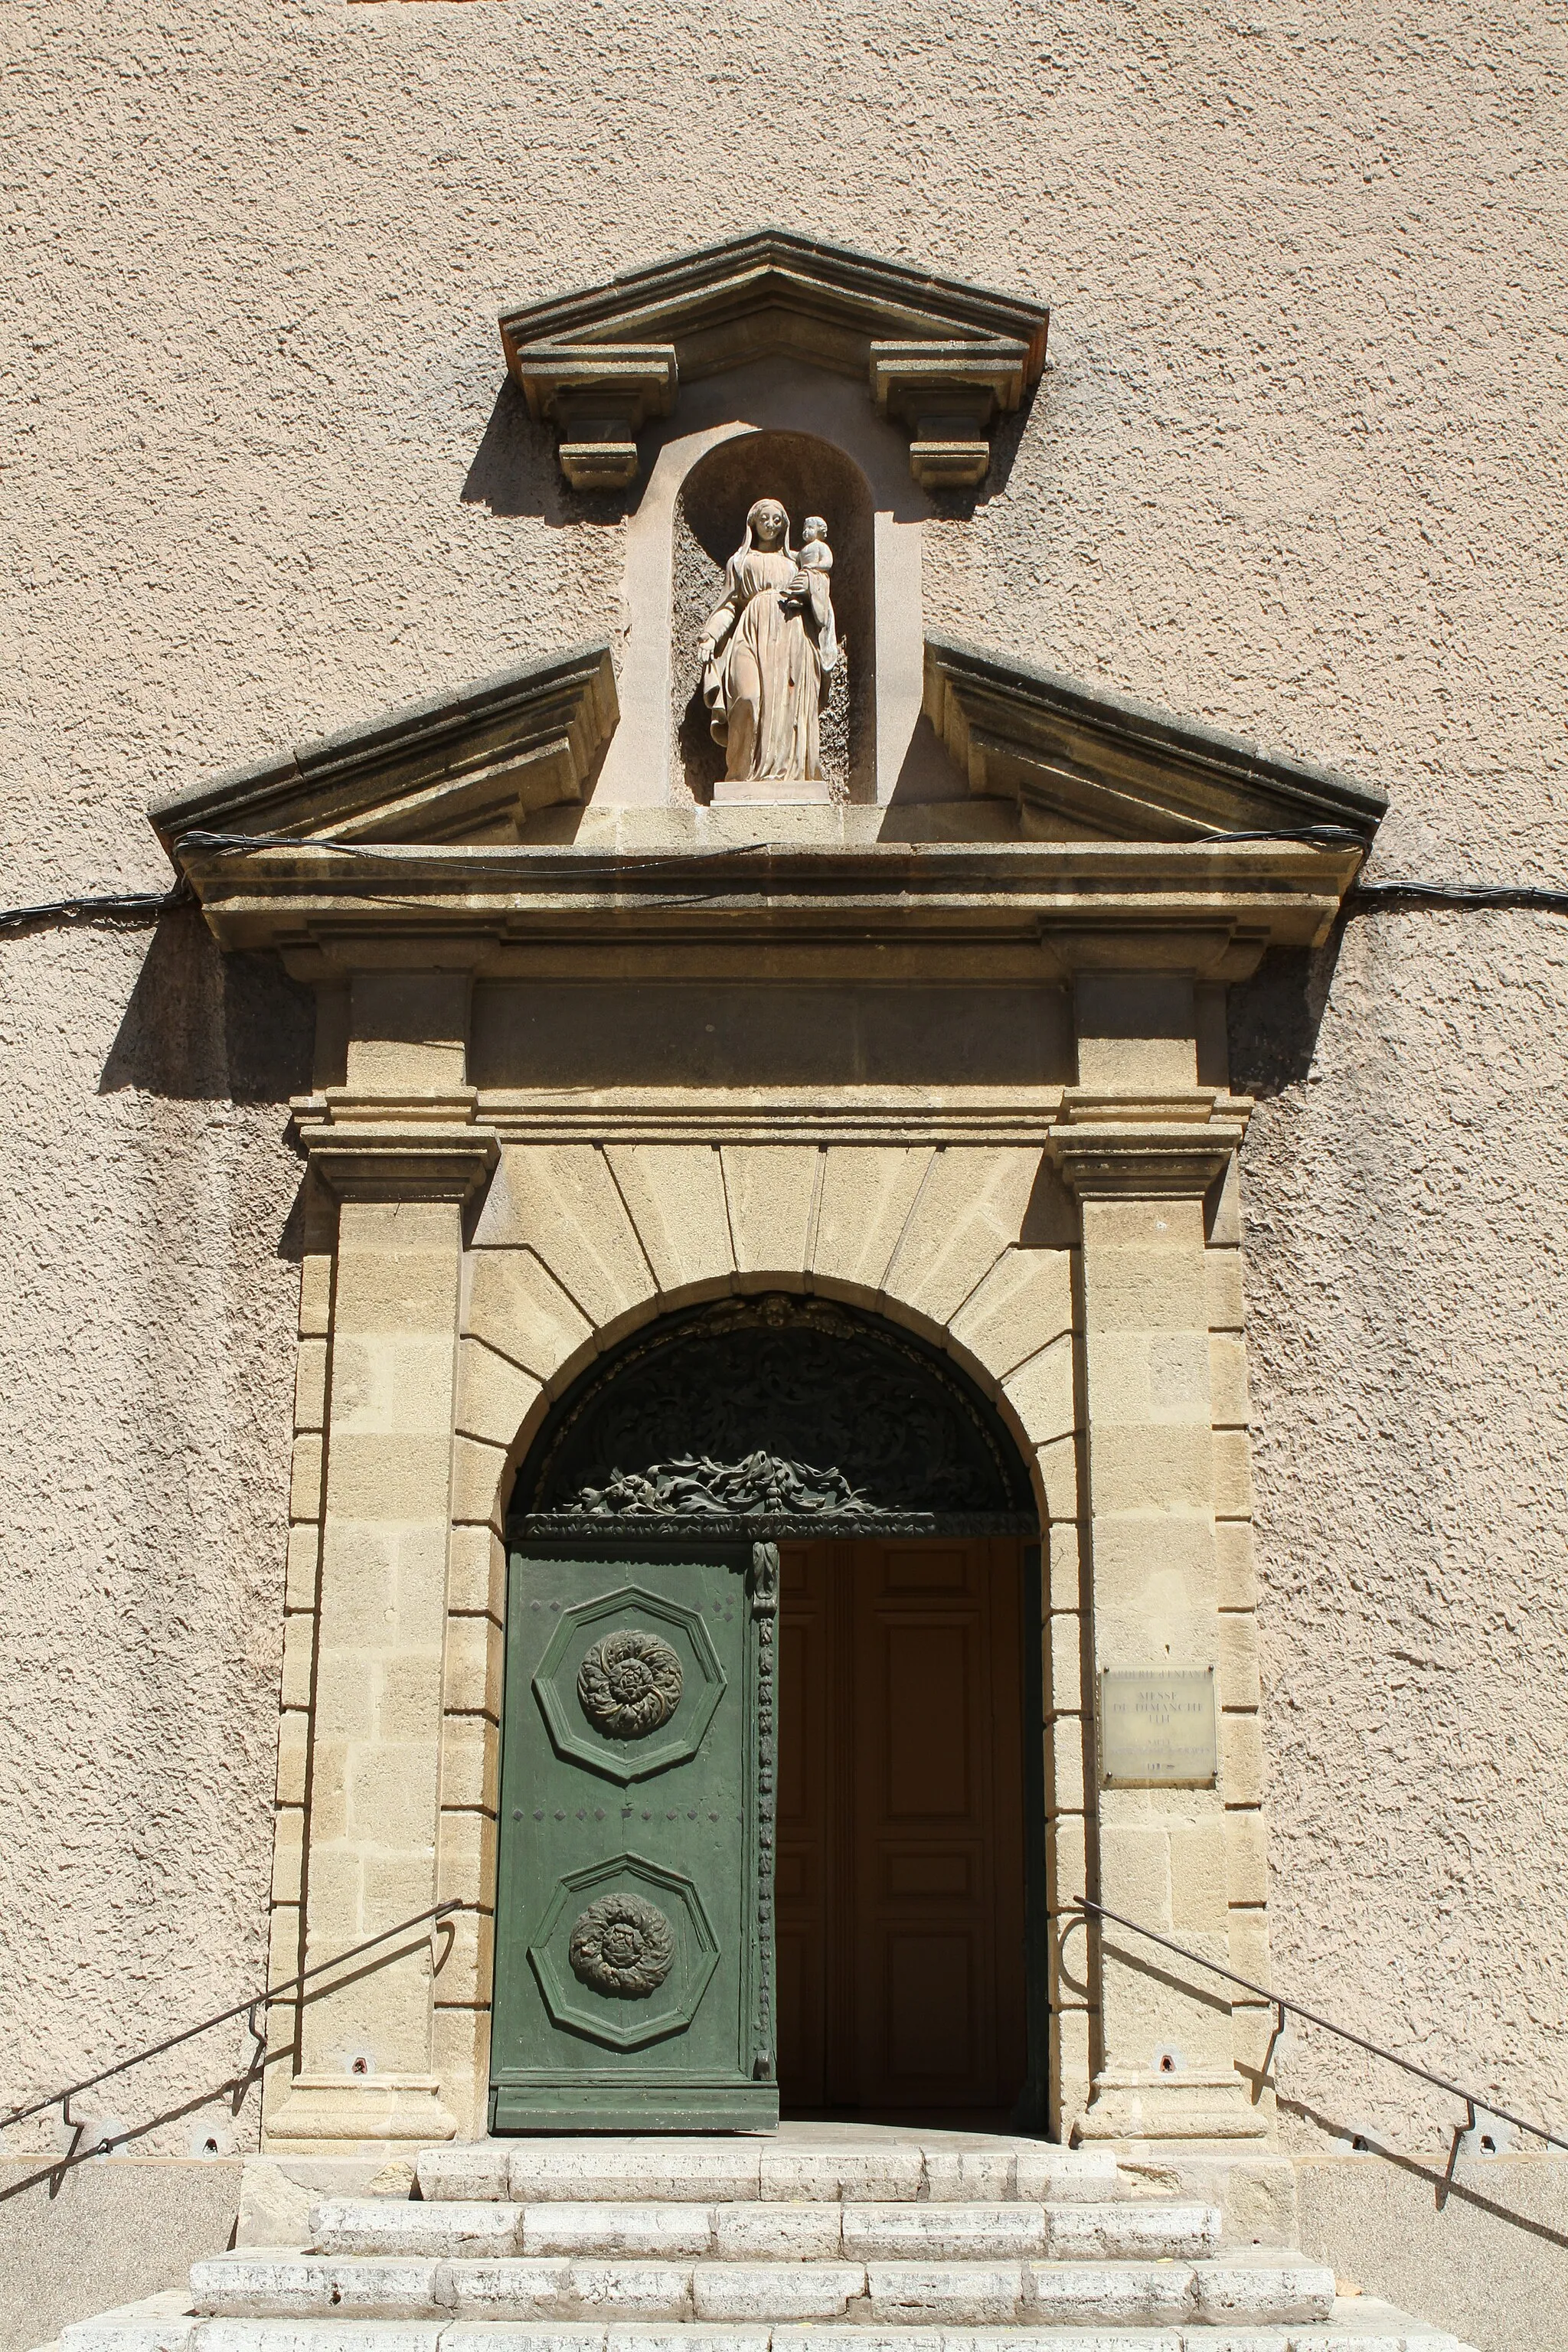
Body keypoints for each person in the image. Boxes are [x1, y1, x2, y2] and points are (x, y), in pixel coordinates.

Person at [697, 498, 840, 783]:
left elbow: (820, 588)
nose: (771, 525)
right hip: (751, 628)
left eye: (777, 520)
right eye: (765, 519)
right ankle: (740, 774)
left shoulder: (795, 561)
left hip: (791, 633)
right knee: (748, 696)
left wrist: (808, 588)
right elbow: (729, 604)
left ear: (784, 525)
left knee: (787, 706)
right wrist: (711, 636)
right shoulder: (739, 562)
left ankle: (786, 773)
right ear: (753, 522)